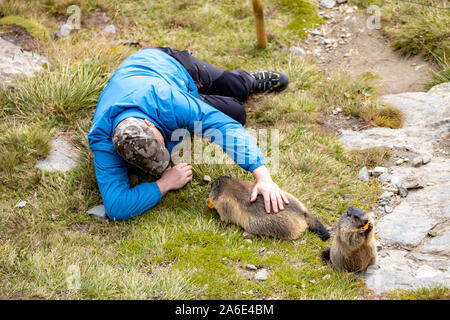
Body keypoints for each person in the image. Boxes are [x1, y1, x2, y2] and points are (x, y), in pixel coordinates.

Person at [88, 47, 290, 221]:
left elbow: (225, 127)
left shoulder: (166, 101)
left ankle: (248, 81)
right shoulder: (103, 140)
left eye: (161, 144)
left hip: (171, 66)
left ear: (149, 123)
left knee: (236, 103)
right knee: (225, 111)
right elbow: (116, 207)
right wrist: (164, 184)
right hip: (162, 93)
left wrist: (262, 176)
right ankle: (196, 106)